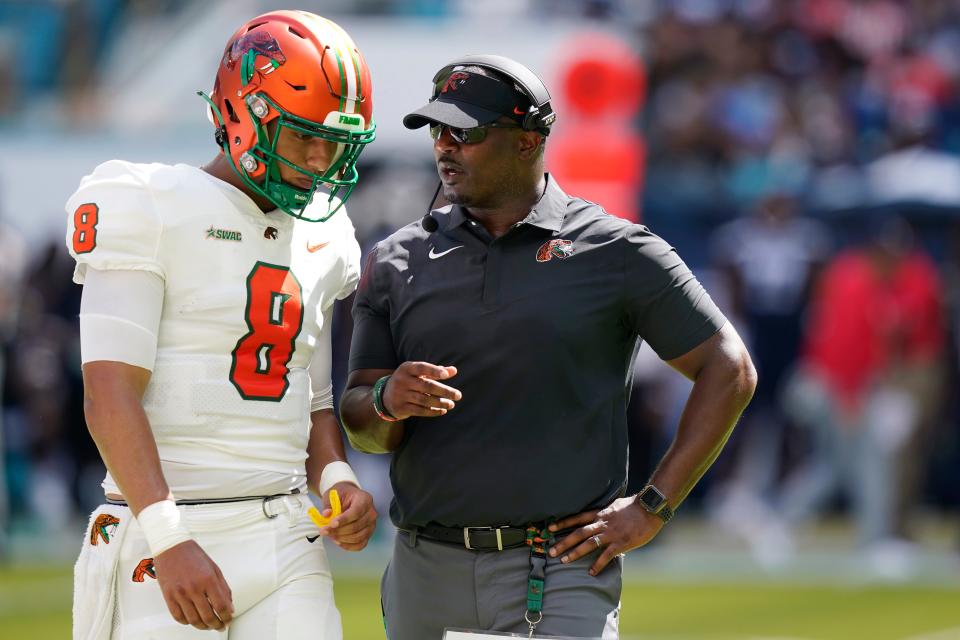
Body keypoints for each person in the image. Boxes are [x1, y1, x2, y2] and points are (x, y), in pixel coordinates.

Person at [339, 54, 757, 639]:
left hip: (558, 569)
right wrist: (387, 399)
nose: (445, 147)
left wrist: (652, 507)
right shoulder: (394, 260)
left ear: (528, 140)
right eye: (438, 130)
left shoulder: (617, 251)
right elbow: (361, 423)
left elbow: (729, 369)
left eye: (467, 132)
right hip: (424, 567)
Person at [66, 11, 377, 639]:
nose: (321, 160)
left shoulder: (327, 235)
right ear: (244, 114)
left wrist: (338, 479)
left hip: (285, 528)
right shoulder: (147, 203)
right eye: (302, 136)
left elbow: (308, 392)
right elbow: (108, 393)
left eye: (335, 141)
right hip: (162, 529)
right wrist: (168, 538)